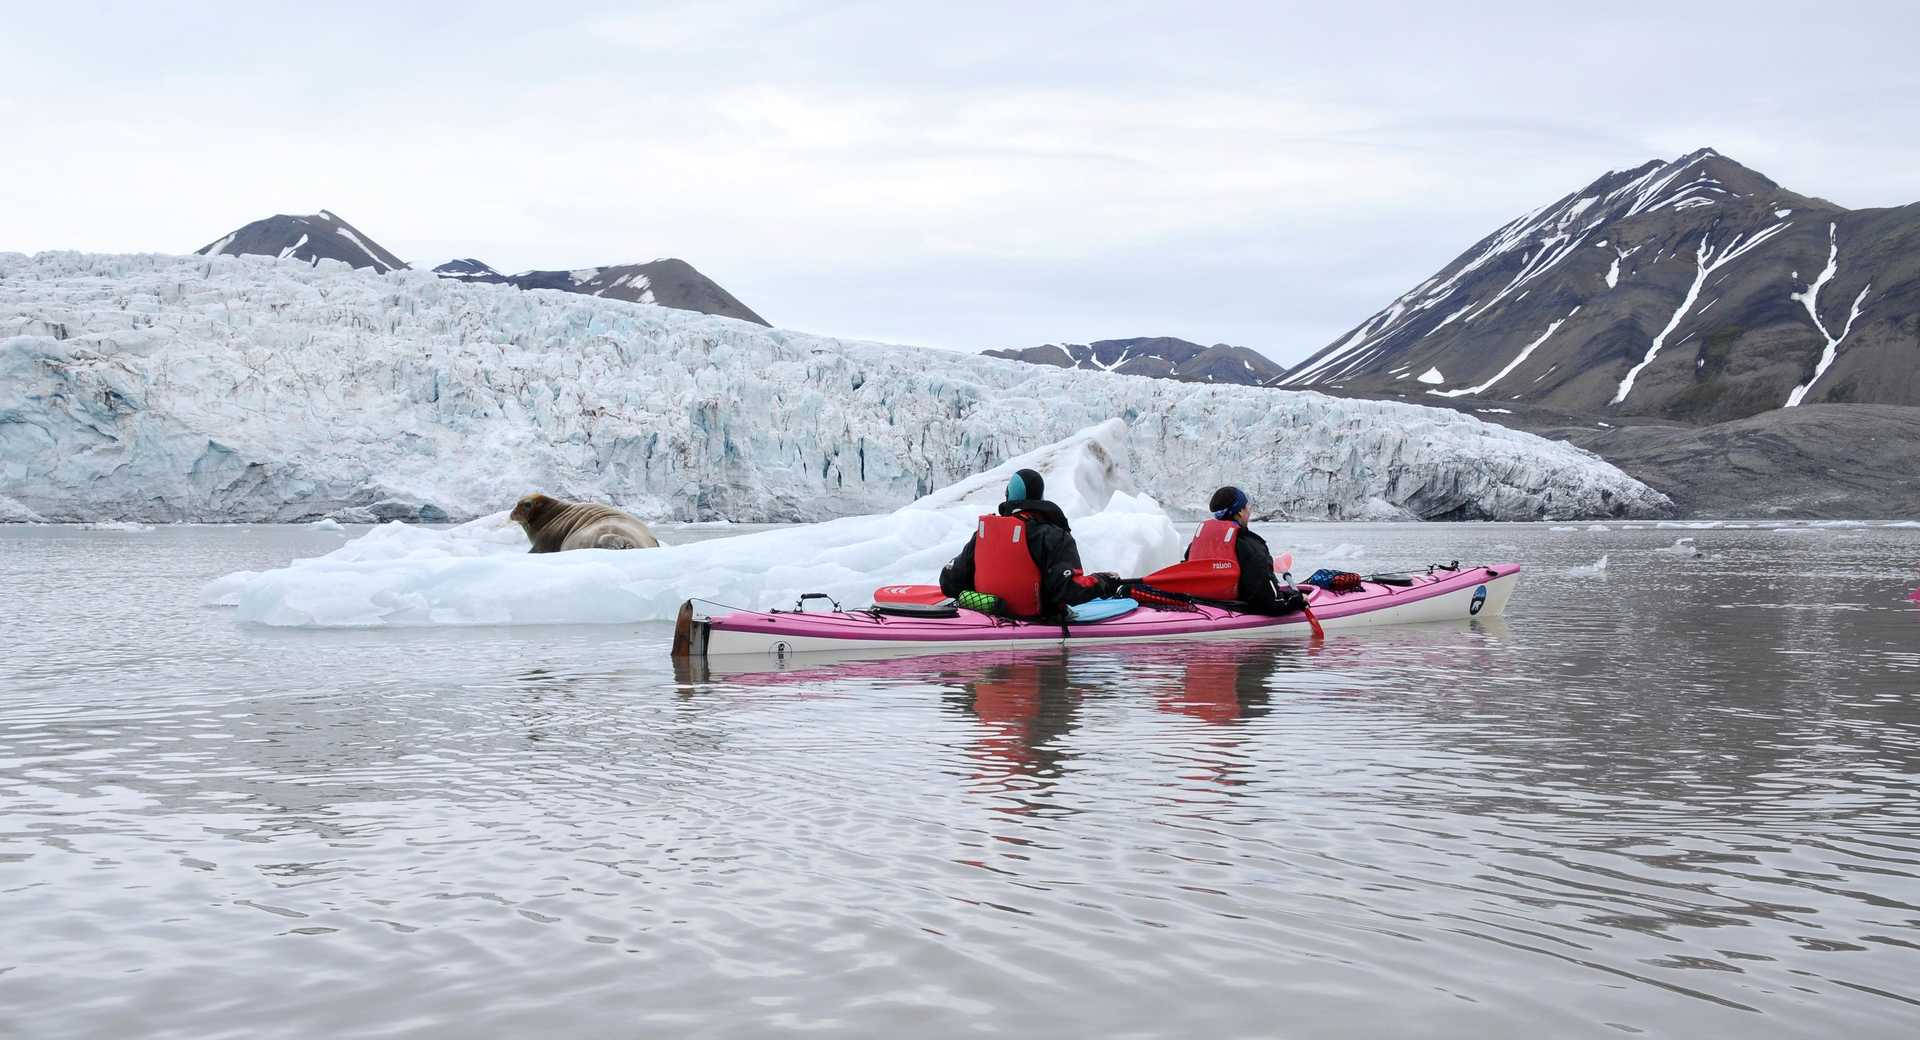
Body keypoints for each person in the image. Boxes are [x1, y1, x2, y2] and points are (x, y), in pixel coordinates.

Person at [939, 468, 1114, 617]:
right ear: (1040, 498)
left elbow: (949, 582)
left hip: (988, 617)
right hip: (1040, 624)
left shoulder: (983, 534)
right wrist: (1102, 581)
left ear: (1009, 496)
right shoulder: (1053, 535)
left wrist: (983, 599)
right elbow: (1069, 592)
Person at [1182, 485, 1289, 613]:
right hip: (1235, 608)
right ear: (1240, 511)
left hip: (1200, 604)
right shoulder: (1249, 544)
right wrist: (1295, 600)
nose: (1249, 512)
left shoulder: (1195, 543)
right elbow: (1270, 602)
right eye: (1247, 507)